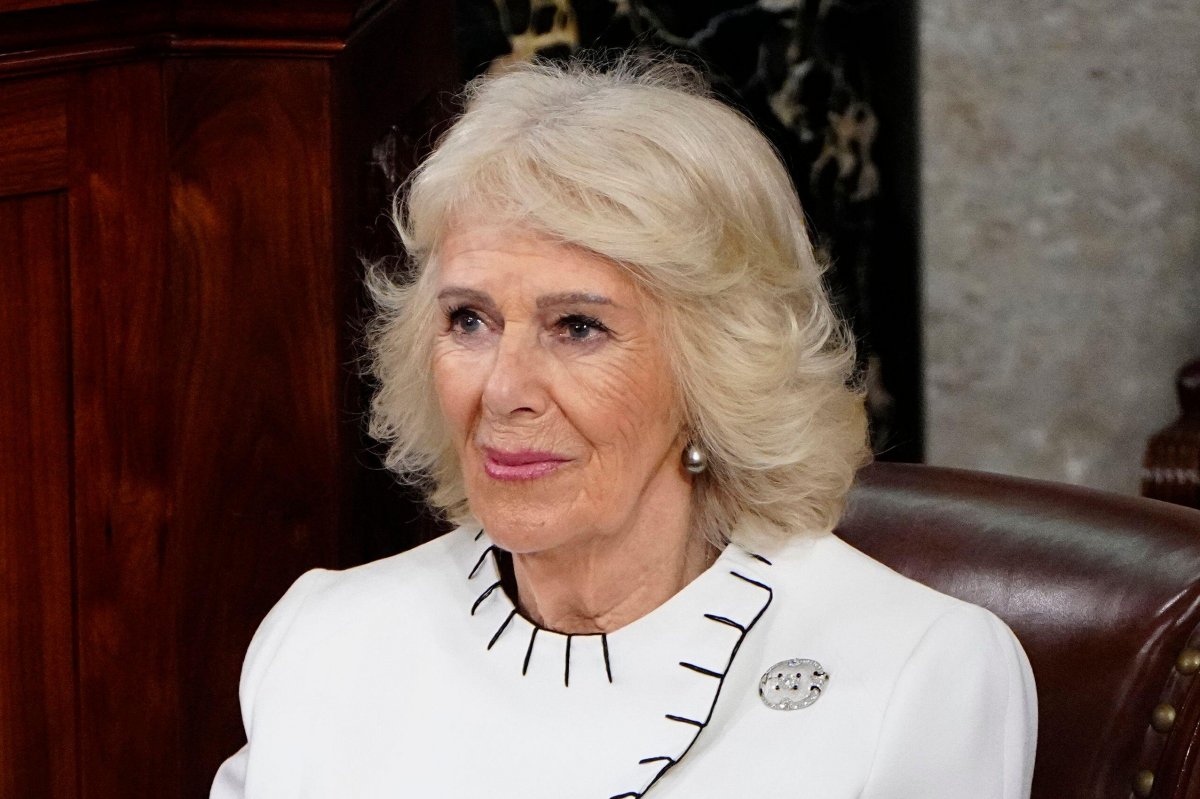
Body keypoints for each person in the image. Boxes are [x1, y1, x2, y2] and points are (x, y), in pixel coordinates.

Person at [211, 55, 1036, 798]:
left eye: (577, 326)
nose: (504, 390)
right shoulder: (322, 640)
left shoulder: (920, 673)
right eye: (470, 320)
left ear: (713, 365)